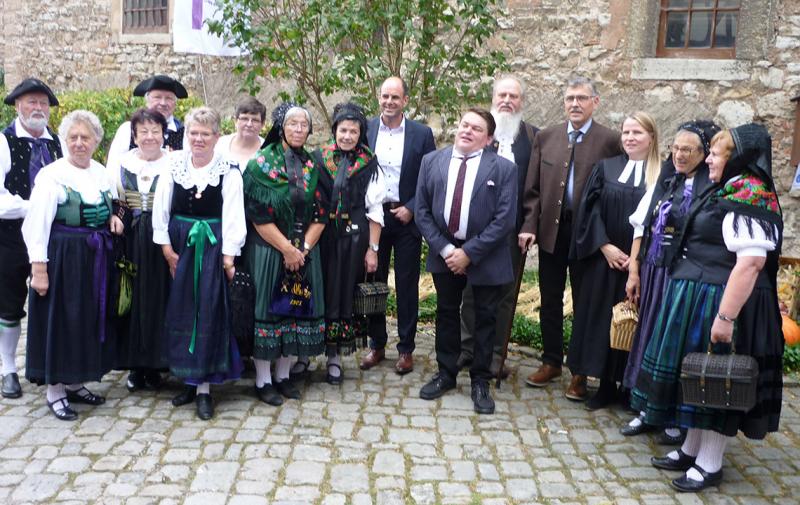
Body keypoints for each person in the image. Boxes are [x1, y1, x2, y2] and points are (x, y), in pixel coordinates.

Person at [632, 123, 783, 492]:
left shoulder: (750, 194)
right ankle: (691, 447)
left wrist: (725, 318)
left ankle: (710, 462)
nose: (709, 160)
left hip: (722, 301)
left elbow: (750, 265)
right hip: (699, 294)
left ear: (737, 159)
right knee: (697, 376)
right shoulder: (729, 187)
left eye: (715, 154)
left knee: (718, 379)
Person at [518, 76, 621, 400]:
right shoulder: (546, 137)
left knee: (585, 303)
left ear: (595, 102)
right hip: (552, 231)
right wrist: (530, 225)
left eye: (581, 98)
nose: (574, 104)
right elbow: (532, 189)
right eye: (569, 99)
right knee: (550, 300)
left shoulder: (610, 140)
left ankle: (580, 372)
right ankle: (551, 361)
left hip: (589, 235)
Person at [22, 110, 124, 421]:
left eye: (85, 138)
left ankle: (76, 382)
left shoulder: (102, 173)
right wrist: (39, 268)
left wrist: (113, 217)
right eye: (73, 138)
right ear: (65, 140)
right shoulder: (52, 175)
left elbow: (111, 205)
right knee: (62, 321)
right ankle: (55, 389)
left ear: (96, 141)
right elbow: (35, 223)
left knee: (86, 319)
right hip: (63, 256)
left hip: (94, 257)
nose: (79, 143)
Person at [621, 120, 718, 443]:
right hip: (654, 270)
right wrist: (634, 270)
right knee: (650, 338)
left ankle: (676, 417)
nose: (678, 155)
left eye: (687, 150)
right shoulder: (665, 183)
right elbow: (641, 227)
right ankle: (647, 409)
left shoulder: (711, 191)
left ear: (704, 154)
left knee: (676, 344)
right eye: (675, 149)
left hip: (685, 280)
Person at [415, 107, 517, 415]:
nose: (466, 131)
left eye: (475, 128)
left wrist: (469, 253)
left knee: (484, 318)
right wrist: (447, 251)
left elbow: (504, 219)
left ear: (487, 139)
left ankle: (480, 381)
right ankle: (446, 373)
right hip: (444, 253)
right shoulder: (432, 161)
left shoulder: (502, 169)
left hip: (483, 255)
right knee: (446, 313)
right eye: (463, 125)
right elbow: (421, 211)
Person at [152, 106, 246, 420]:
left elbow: (234, 215)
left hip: (212, 245)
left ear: (217, 136)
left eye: (206, 133)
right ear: (186, 135)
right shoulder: (174, 165)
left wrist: (229, 256)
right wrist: (166, 250)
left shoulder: (228, 170)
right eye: (194, 133)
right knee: (182, 311)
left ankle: (204, 387)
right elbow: (161, 209)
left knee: (207, 311)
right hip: (180, 244)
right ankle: (188, 380)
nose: (199, 139)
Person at [566, 112, 659, 410]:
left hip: (641, 264)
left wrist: (636, 259)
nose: (630, 138)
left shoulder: (662, 174)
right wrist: (604, 246)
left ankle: (629, 386)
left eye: (637, 133)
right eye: (626, 132)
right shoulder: (605, 168)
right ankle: (604, 385)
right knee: (604, 321)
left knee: (635, 321)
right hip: (604, 260)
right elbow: (588, 211)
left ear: (652, 137)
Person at [241, 102, 327, 404]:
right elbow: (258, 218)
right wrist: (287, 249)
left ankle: (284, 375)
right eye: (293, 124)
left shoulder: (312, 166)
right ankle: (263, 380)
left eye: (304, 125)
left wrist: (302, 249)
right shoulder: (260, 165)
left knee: (295, 309)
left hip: (303, 253)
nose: (299, 130)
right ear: (281, 127)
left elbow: (321, 215)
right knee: (268, 312)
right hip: (269, 251)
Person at [458, 75, 538, 379]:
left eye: (513, 96)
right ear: (493, 98)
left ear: (521, 102)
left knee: (503, 295)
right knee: (470, 291)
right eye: (502, 95)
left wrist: (529, 224)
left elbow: (535, 189)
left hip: (512, 233)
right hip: (475, 232)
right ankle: (467, 349)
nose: (507, 100)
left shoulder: (532, 138)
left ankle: (494, 354)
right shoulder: (479, 135)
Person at [362, 76, 436, 375]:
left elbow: (431, 176)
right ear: (378, 98)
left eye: (395, 97)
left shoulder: (421, 134)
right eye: (384, 96)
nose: (389, 102)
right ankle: (376, 344)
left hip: (406, 218)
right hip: (373, 218)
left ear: (405, 100)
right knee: (374, 283)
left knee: (406, 285)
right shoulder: (365, 129)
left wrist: (414, 207)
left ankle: (405, 349)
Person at [0, 78, 66, 399]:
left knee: (51, 303)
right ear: (17, 106)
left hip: (52, 239)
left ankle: (49, 364)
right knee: (9, 305)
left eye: (43, 103)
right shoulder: (3, 142)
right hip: (11, 237)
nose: (38, 108)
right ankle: (8, 369)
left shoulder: (58, 143)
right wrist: (36, 208)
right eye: (31, 103)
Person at [309, 102, 384, 385]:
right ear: (334, 131)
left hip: (354, 239)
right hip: (322, 237)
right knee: (318, 290)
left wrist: (372, 249)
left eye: (354, 131)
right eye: (343, 130)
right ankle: (306, 351)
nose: (348, 136)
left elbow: (375, 211)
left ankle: (334, 357)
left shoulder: (369, 163)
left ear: (361, 133)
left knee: (341, 296)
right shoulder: (319, 158)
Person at [107, 108, 172, 392]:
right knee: (131, 298)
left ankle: (157, 363)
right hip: (130, 239)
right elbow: (112, 199)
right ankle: (134, 365)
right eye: (143, 131)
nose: (149, 137)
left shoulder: (173, 162)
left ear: (163, 134)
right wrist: (117, 218)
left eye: (155, 131)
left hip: (163, 239)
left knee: (160, 297)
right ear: (134, 135)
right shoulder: (121, 163)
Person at [107, 75, 188, 167]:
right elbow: (113, 168)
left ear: (175, 103)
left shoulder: (185, 133)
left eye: (169, 98)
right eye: (157, 97)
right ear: (147, 100)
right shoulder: (128, 130)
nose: (163, 103)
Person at [215, 97, 267, 168]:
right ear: (235, 121)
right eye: (244, 119)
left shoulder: (267, 151)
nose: (249, 124)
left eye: (255, 120)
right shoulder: (220, 145)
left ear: (262, 124)